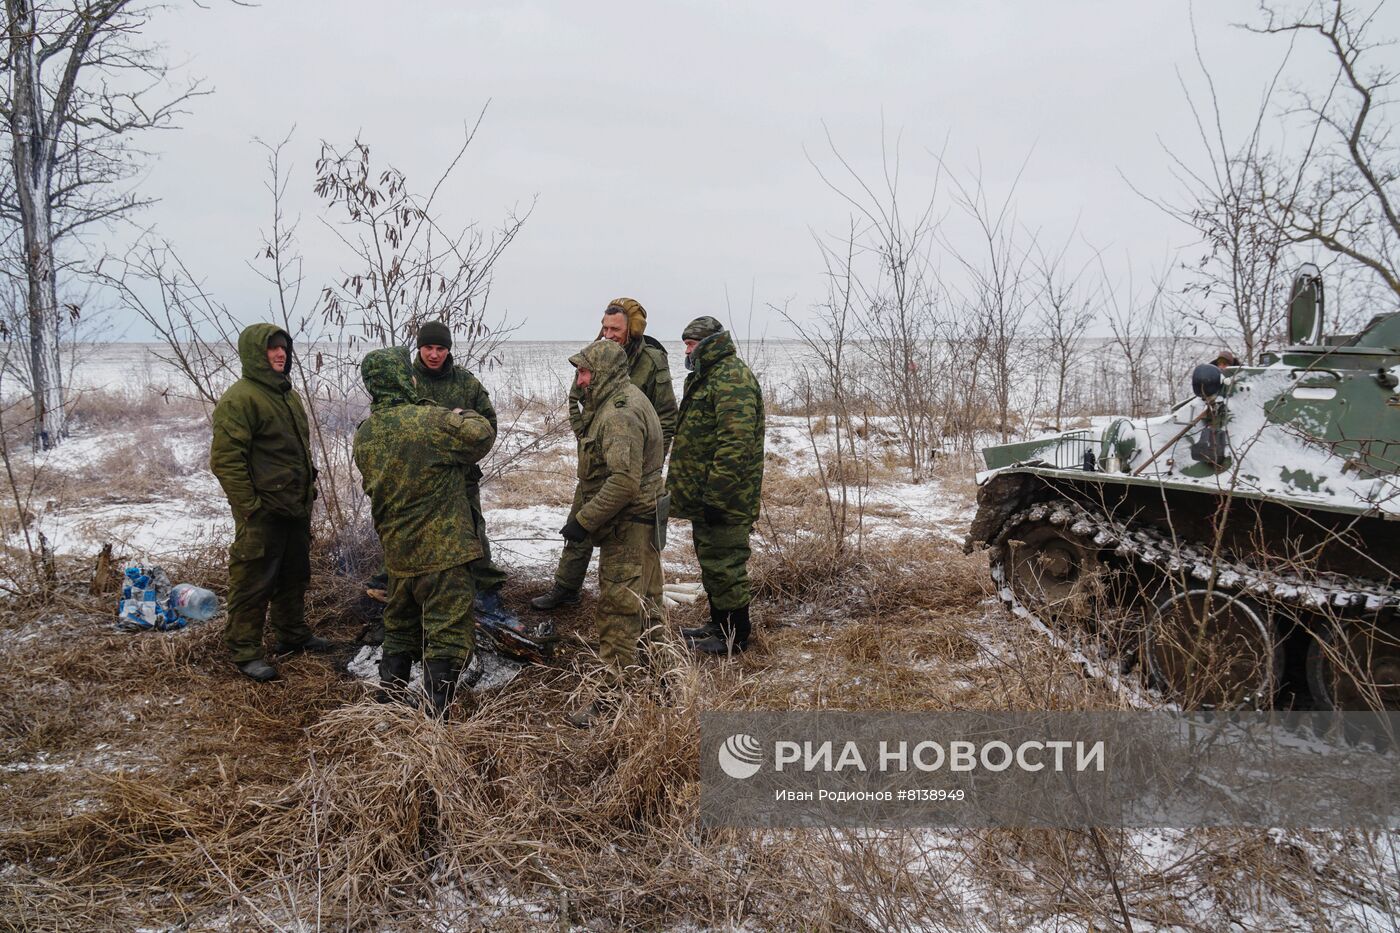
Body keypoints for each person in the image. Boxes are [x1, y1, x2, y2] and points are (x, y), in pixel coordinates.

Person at [353, 347, 496, 715]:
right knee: (448, 633)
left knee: (400, 625)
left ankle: (389, 702)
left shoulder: (365, 433)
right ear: (404, 378)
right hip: (442, 552)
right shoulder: (429, 422)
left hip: (398, 552)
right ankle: (435, 719)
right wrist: (459, 413)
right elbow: (481, 434)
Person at [365, 321, 516, 629]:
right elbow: (388, 423)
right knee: (407, 535)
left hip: (460, 477)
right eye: (428, 348)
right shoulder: (405, 380)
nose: (434, 354)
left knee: (473, 535)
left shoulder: (465, 383)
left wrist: (461, 454)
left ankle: (485, 595)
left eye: (440, 348)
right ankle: (397, 596)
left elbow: (488, 426)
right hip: (414, 478)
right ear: (419, 348)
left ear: (449, 350)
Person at [531, 298, 677, 611]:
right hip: (598, 460)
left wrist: (652, 460)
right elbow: (576, 400)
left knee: (632, 536)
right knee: (579, 522)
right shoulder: (594, 355)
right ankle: (566, 587)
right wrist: (587, 439)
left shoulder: (651, 362)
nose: (608, 334)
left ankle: (634, 600)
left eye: (616, 329)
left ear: (632, 330)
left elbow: (666, 416)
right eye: (605, 328)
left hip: (633, 463)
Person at [557, 339, 666, 727]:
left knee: (618, 612)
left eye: (585, 372)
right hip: (641, 524)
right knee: (647, 609)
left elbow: (623, 483)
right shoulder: (619, 399)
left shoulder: (620, 414)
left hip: (629, 528)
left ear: (602, 373)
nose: (580, 380)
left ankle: (609, 703)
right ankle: (665, 687)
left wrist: (583, 521)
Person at [209, 324, 326, 682]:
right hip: (261, 513)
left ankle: (293, 635)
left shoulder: (287, 395)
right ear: (254, 354)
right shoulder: (240, 399)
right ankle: (244, 650)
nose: (280, 354)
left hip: (293, 506)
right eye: (272, 349)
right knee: (253, 580)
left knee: (294, 575)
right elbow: (226, 461)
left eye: (283, 348)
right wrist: (250, 507)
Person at [666, 316, 765, 654]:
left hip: (727, 499)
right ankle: (718, 623)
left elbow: (736, 445)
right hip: (707, 496)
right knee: (712, 561)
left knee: (726, 565)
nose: (687, 351)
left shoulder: (731, 379)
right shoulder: (708, 376)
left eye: (691, 345)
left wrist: (717, 497)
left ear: (709, 344)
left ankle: (734, 636)